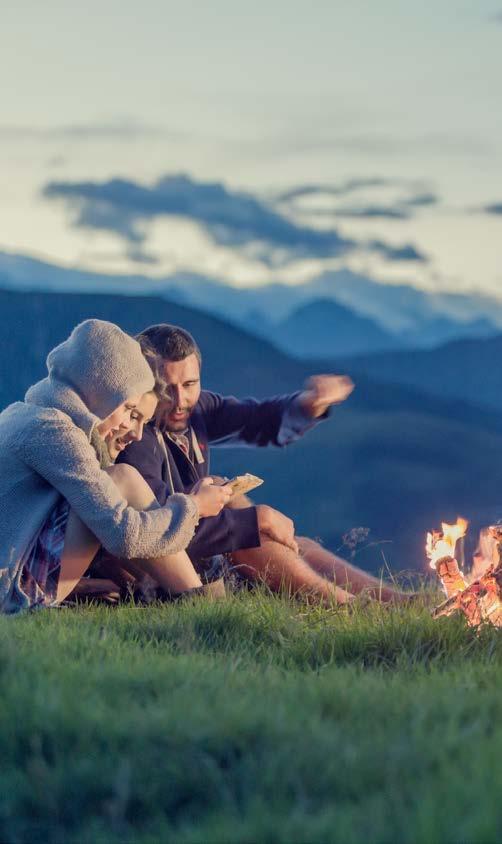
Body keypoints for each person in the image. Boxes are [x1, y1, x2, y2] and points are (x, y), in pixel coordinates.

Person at [117, 323, 406, 604]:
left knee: (293, 545)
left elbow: (255, 420)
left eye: (190, 384)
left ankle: (401, 601)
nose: (181, 400)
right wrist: (257, 519)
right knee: (248, 533)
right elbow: (156, 528)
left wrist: (310, 404)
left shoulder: (197, 410)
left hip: (199, 550)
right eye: (167, 388)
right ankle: (352, 608)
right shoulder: (136, 438)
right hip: (163, 573)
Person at [0, 319, 232, 614]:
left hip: (13, 580)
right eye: (130, 411)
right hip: (13, 594)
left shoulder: (29, 417)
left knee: (113, 486)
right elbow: (122, 534)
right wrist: (195, 508)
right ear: (100, 391)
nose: (135, 433)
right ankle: (206, 608)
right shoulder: (53, 431)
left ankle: (179, 594)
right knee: (121, 479)